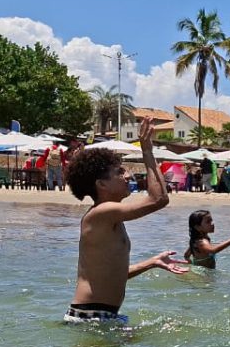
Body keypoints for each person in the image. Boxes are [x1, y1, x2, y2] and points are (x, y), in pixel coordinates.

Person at [64, 117, 187, 324]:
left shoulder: (109, 217)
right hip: (91, 316)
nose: (128, 175)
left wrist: (151, 263)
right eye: (119, 172)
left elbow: (111, 274)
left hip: (98, 315)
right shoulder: (102, 212)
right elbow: (159, 199)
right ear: (102, 184)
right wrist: (147, 151)